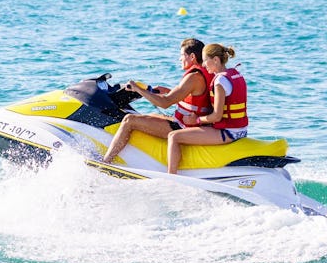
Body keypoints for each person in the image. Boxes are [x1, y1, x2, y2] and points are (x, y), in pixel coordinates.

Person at [101, 38, 213, 164]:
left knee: (129, 120)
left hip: (184, 126)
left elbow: (164, 103)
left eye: (182, 55)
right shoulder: (205, 72)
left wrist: (138, 89)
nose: (179, 59)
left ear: (192, 56)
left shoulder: (193, 77)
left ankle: (106, 161)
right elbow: (197, 100)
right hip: (189, 121)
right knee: (148, 116)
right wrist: (168, 91)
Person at [165, 43, 248, 174]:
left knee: (173, 136)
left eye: (205, 60)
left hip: (229, 132)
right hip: (241, 130)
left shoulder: (220, 81)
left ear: (215, 59)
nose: (203, 65)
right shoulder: (235, 74)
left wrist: (196, 121)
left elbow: (216, 116)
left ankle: (171, 179)